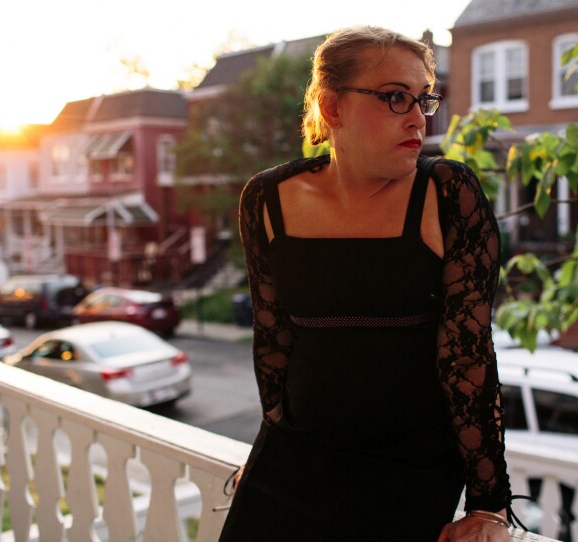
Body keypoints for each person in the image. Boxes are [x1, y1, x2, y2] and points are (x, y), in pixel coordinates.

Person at [220, 26, 513, 542]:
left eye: (423, 101)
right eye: (396, 98)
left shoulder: (448, 193)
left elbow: (467, 356)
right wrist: (266, 457)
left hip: (409, 472)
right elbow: (274, 341)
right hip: (291, 463)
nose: (419, 118)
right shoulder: (266, 199)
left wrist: (488, 505)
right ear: (332, 108)